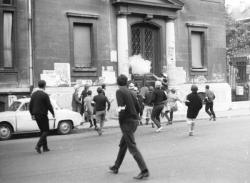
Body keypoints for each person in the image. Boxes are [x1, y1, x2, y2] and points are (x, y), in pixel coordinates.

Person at [109, 74, 149, 180]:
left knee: (132, 147)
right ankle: (116, 166)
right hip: (134, 121)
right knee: (123, 144)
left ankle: (144, 170)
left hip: (127, 122)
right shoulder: (130, 92)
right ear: (126, 82)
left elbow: (121, 108)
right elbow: (138, 106)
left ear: (117, 83)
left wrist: (120, 119)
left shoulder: (119, 91)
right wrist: (137, 116)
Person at [29, 80, 55, 154]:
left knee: (42, 131)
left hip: (36, 115)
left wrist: (32, 114)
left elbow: (30, 106)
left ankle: (45, 147)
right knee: (46, 131)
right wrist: (53, 113)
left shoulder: (33, 94)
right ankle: (38, 145)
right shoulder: (45, 95)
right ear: (44, 86)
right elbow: (49, 105)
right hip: (43, 114)